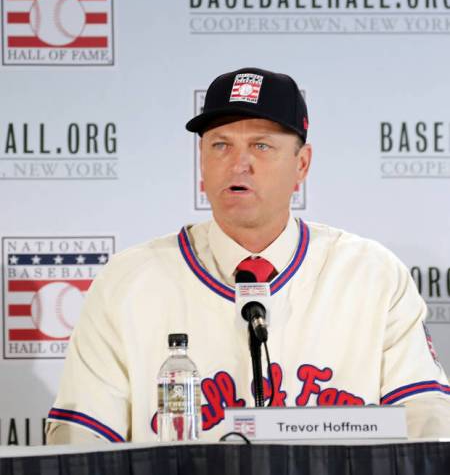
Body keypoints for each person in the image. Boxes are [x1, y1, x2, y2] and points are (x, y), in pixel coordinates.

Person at [46, 67, 450, 444]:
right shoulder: (128, 282)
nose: (239, 164)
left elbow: (426, 417)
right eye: (220, 145)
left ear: (302, 165)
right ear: (201, 162)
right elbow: (81, 438)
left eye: (261, 145)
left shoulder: (372, 275)